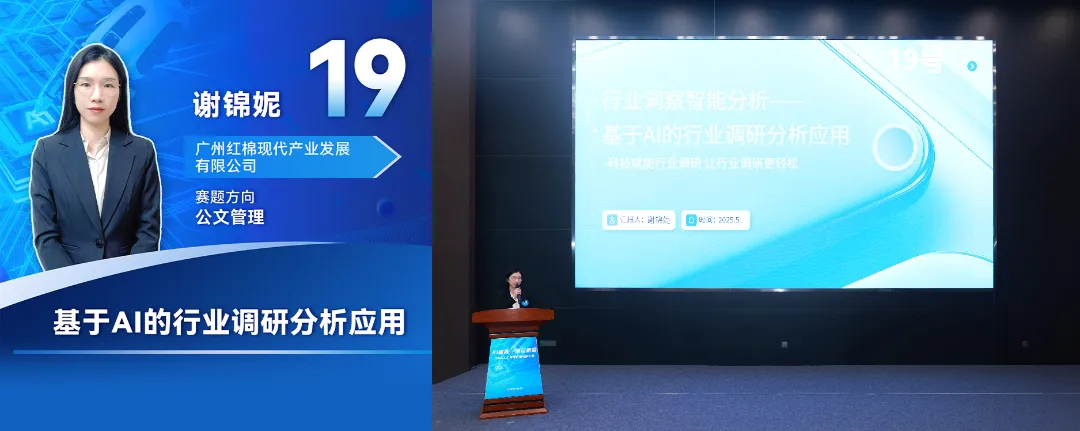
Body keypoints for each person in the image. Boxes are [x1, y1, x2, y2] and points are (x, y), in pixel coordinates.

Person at [29, 43, 161, 271]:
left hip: (127, 282)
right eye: (86, 84)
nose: (97, 96)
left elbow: (148, 232)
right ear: (72, 90)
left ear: (120, 92)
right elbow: (46, 236)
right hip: (69, 284)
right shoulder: (47, 152)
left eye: (108, 85)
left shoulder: (142, 151)